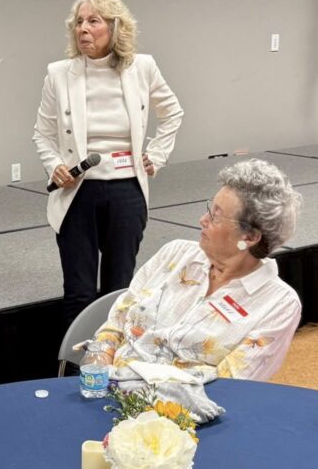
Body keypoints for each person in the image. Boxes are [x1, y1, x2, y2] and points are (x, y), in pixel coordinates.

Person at [33, 0, 183, 327]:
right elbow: (42, 133)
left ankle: (114, 362)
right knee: (79, 292)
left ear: (115, 28)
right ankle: (74, 371)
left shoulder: (142, 68)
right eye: (79, 22)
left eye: (93, 21)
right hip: (78, 192)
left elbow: (173, 113)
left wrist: (156, 156)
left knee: (119, 289)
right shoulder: (59, 74)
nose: (83, 28)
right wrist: (54, 165)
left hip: (126, 190)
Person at [94, 159, 303, 388]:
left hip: (182, 416)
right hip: (107, 388)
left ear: (250, 237)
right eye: (209, 208)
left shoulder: (278, 304)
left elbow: (229, 388)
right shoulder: (175, 254)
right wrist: (97, 375)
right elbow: (114, 326)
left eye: (216, 215)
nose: (202, 220)